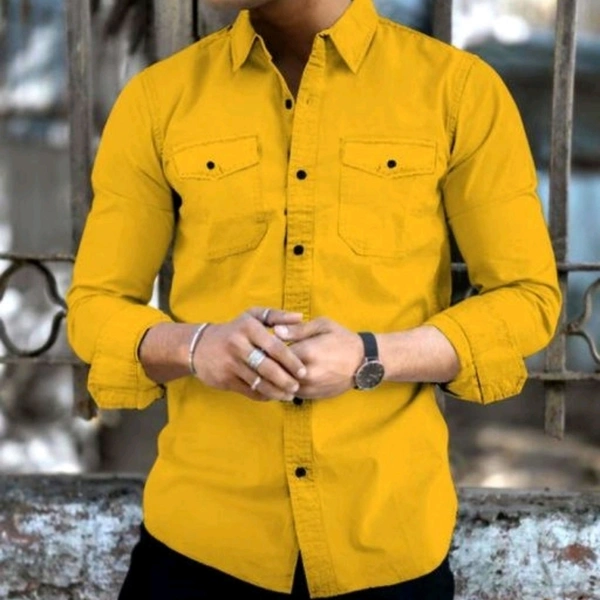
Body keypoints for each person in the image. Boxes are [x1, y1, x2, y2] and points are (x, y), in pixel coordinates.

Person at [66, 0, 561, 598]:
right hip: (203, 544)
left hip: (385, 543)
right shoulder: (159, 98)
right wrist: (196, 347)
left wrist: (370, 356)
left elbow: (525, 298)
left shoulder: (456, 91)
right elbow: (95, 306)